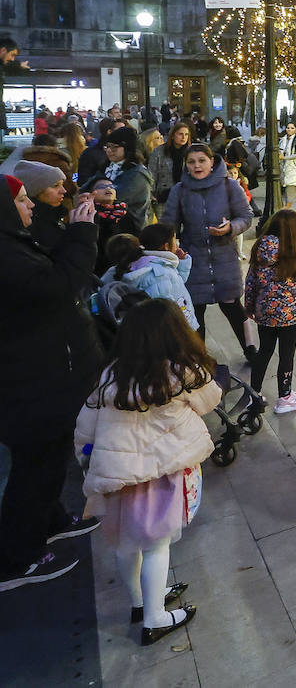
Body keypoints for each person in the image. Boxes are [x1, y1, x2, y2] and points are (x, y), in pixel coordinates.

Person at [75, 298, 216, 644]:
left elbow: (85, 428)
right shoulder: (181, 372)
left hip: (118, 477)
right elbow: (210, 400)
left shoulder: (111, 375)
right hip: (161, 477)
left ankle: (140, 602)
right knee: (156, 545)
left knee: (127, 544)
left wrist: (88, 463)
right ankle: (154, 619)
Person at [0, 176, 103, 592]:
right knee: (34, 468)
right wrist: (81, 235)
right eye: (23, 201)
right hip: (29, 384)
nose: (29, 208)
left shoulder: (14, 244)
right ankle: (16, 558)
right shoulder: (6, 254)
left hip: (40, 380)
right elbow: (58, 287)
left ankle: (52, 520)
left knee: (48, 460)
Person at [161, 143, 256, 362]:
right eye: (191, 162)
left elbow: (246, 216)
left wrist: (231, 227)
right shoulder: (180, 190)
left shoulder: (230, 186)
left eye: (202, 161)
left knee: (233, 307)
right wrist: (172, 246)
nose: (197, 166)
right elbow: (169, 224)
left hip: (225, 259)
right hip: (194, 261)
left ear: (212, 162)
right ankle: (198, 359)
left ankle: (250, 350)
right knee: (194, 312)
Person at [245, 209, 296, 414]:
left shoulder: (260, 251)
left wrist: (250, 306)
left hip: (265, 314)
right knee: (286, 355)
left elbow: (250, 281)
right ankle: (285, 396)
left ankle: (254, 394)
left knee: (264, 351)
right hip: (290, 316)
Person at [101, 226, 198, 331]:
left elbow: (177, 286)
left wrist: (183, 262)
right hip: (175, 331)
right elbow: (163, 311)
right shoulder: (158, 273)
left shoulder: (153, 265)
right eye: (175, 240)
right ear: (166, 246)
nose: (177, 244)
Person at [93, 126, 154, 233]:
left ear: (128, 148)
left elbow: (113, 198)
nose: (109, 151)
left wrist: (93, 195)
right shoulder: (108, 167)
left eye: (114, 147)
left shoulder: (137, 174)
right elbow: (89, 186)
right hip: (109, 228)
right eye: (107, 147)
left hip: (131, 231)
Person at [12, 160, 68, 250]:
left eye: (62, 185)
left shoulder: (55, 213)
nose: (64, 190)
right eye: (55, 185)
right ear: (35, 191)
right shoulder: (30, 225)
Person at [150, 121, 194, 206]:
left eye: (186, 134)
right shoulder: (159, 151)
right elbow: (152, 173)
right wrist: (151, 195)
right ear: (173, 135)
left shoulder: (191, 152)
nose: (183, 137)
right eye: (180, 134)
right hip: (163, 196)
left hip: (186, 196)